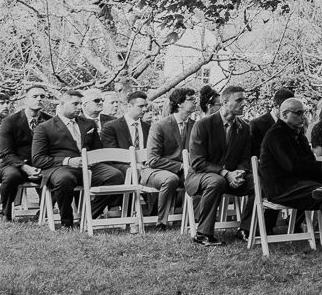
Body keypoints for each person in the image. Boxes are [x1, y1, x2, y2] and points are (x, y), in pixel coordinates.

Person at [257, 96, 322, 260]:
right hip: (283, 188)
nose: (304, 116)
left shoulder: (299, 135)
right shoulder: (276, 134)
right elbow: (292, 166)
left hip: (303, 183)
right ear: (285, 114)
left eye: (305, 112)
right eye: (299, 113)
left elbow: (309, 164)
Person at [185, 84, 258, 245]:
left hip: (232, 177)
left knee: (260, 182)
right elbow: (198, 162)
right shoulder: (203, 125)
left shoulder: (244, 127)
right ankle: (203, 234)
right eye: (239, 100)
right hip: (200, 177)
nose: (244, 103)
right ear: (225, 102)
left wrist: (240, 173)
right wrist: (226, 173)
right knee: (216, 181)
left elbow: (245, 159)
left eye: (244, 99)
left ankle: (246, 229)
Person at [33, 88, 113, 230]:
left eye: (80, 104)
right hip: (59, 168)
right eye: (75, 104)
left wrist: (93, 159)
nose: (79, 107)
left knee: (115, 175)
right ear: (62, 104)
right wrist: (67, 161)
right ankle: (67, 222)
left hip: (87, 166)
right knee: (65, 179)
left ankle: (88, 215)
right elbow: (38, 159)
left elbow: (97, 150)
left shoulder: (88, 124)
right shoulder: (44, 128)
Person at [102, 90, 178, 218]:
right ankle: (131, 214)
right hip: (123, 167)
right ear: (129, 106)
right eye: (140, 106)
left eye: (145, 106)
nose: (144, 109)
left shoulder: (149, 127)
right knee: (134, 172)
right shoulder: (111, 127)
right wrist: (133, 164)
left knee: (165, 176)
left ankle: (154, 215)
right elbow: (111, 155)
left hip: (148, 167)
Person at [0, 84, 50, 218]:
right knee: (11, 176)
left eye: (42, 96)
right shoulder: (10, 122)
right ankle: (6, 212)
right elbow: (6, 152)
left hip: (40, 164)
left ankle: (44, 211)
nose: (39, 99)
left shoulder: (50, 121)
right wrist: (26, 168)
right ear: (25, 100)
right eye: (35, 96)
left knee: (57, 176)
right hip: (14, 164)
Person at [143, 89, 193, 221]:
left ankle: (196, 220)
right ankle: (162, 221)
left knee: (202, 180)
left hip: (186, 171)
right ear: (179, 104)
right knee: (171, 179)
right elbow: (153, 159)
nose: (195, 101)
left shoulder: (196, 126)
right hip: (156, 170)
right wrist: (181, 166)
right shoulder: (160, 126)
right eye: (191, 99)